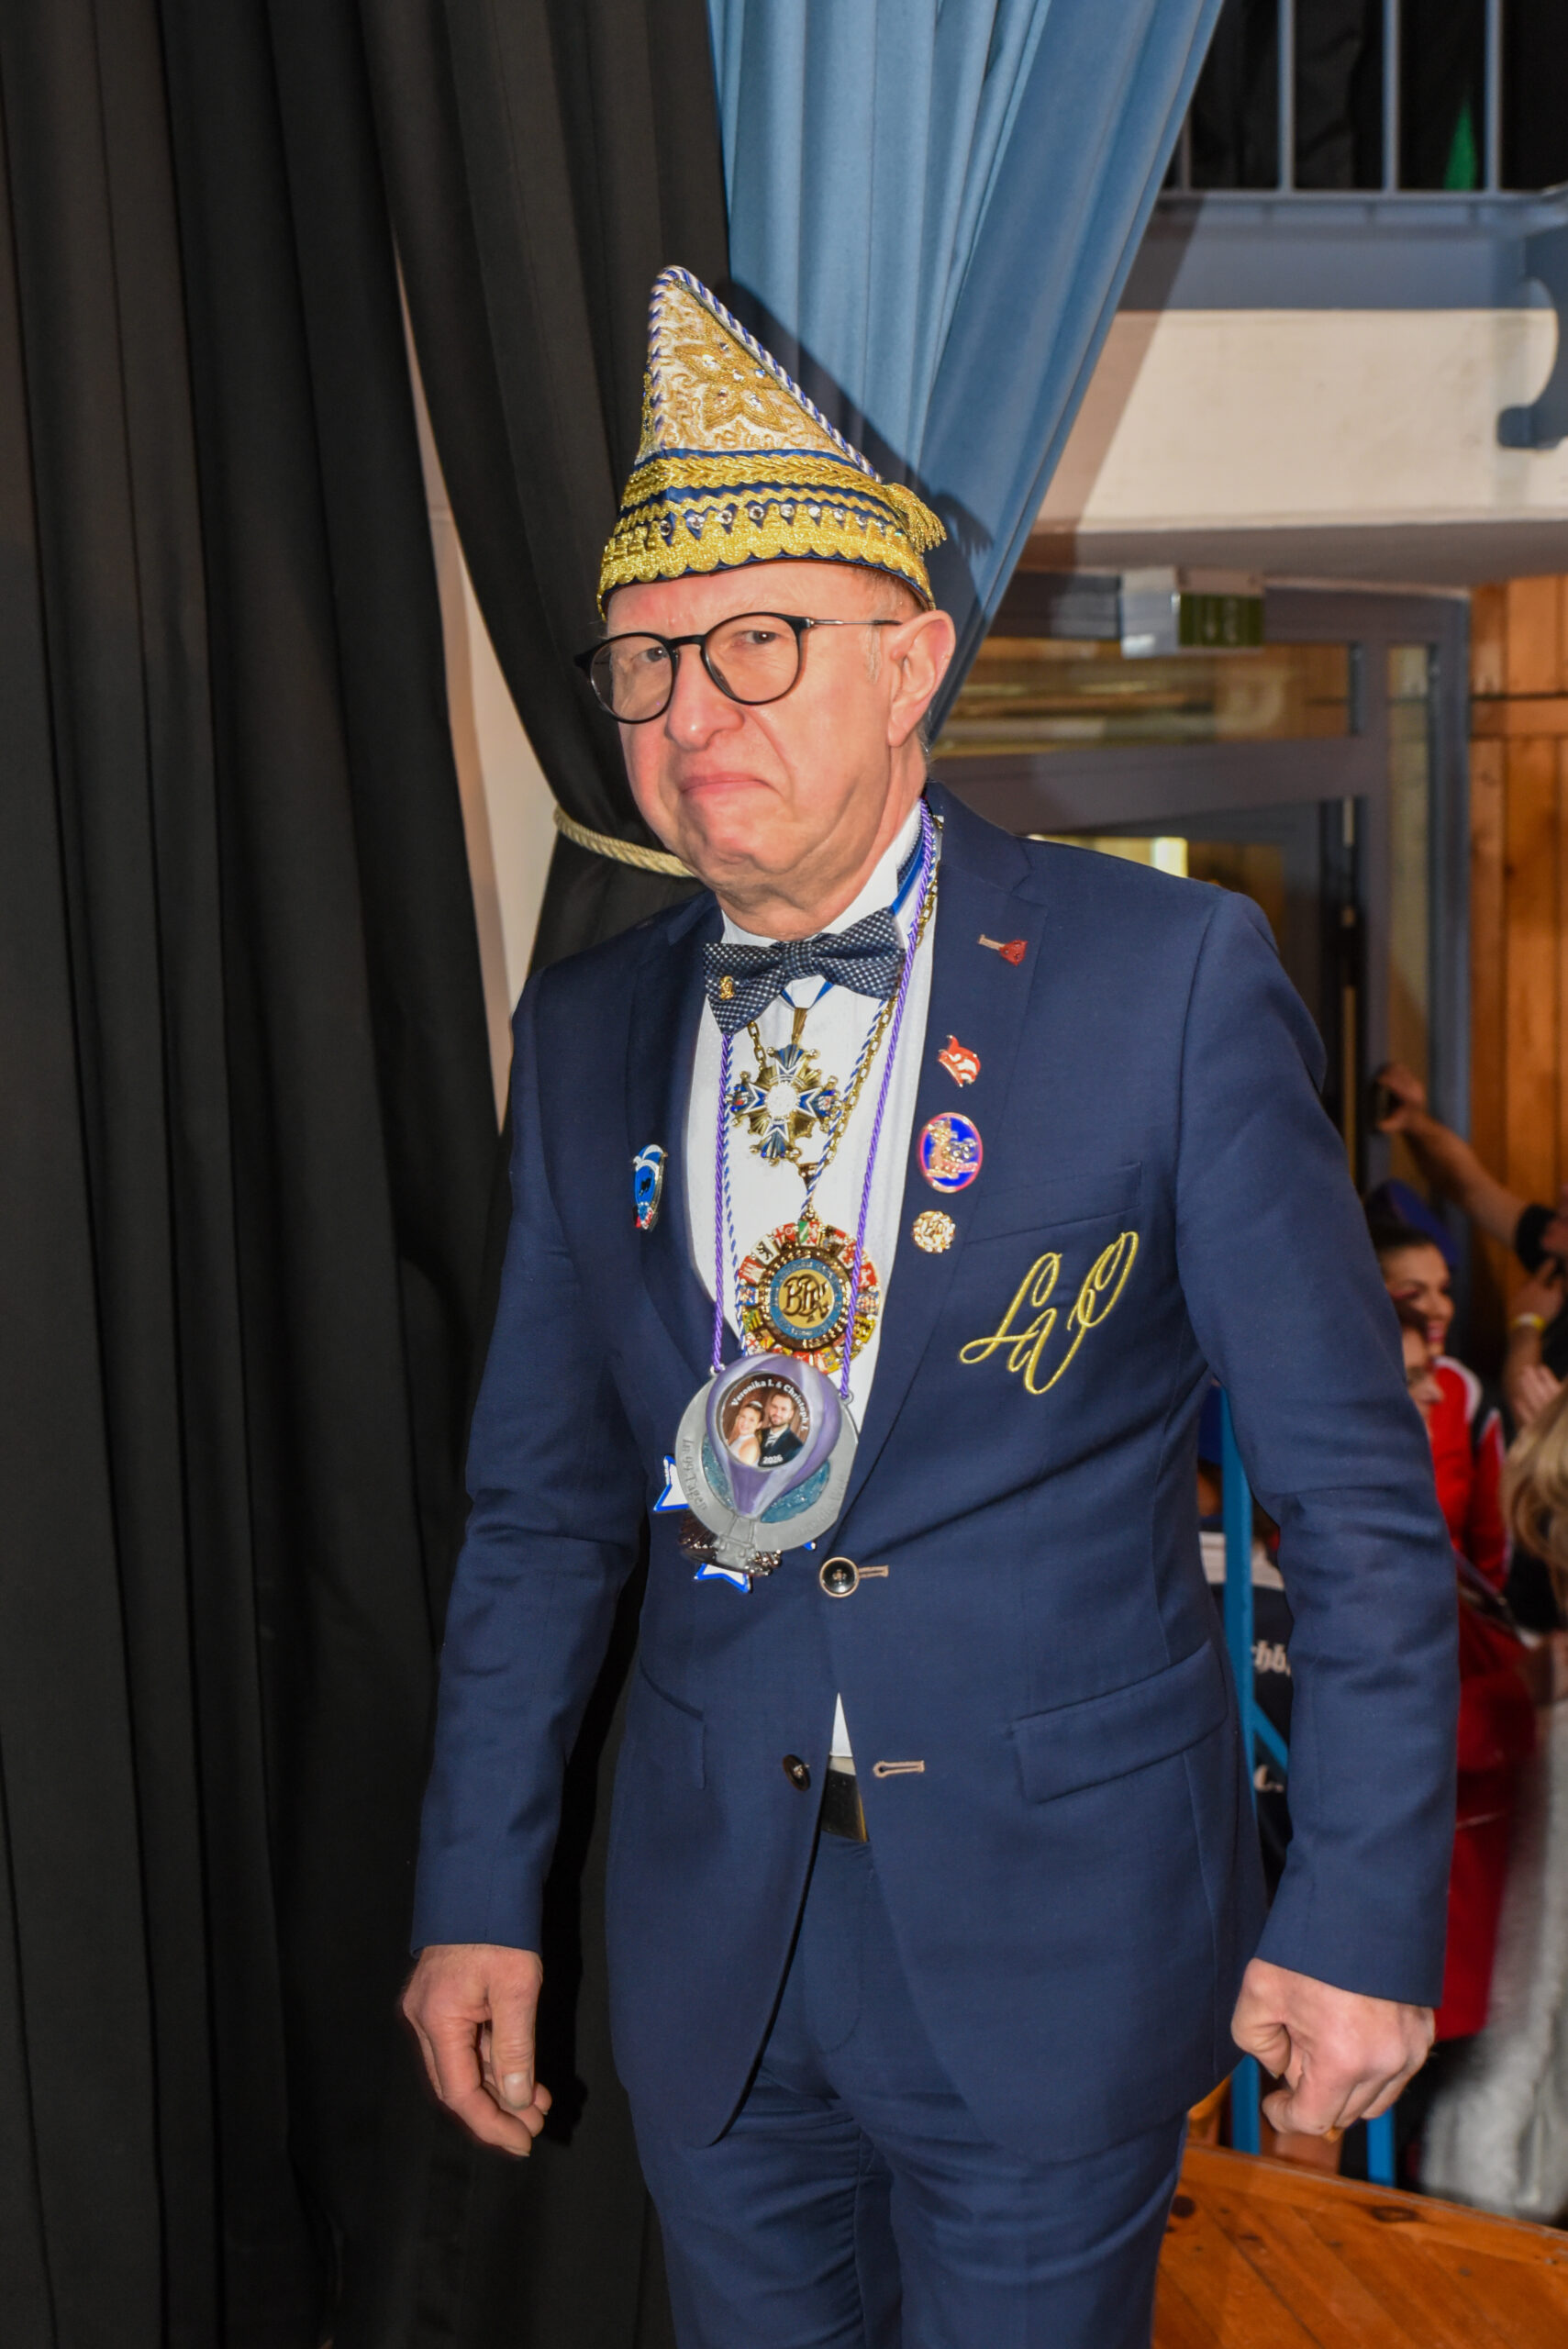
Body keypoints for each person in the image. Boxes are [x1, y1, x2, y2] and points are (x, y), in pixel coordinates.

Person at [403, 269, 1456, 2349]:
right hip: (714, 1938)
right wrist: (473, 1889)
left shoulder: (1164, 982)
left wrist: (1357, 1909)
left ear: (912, 662)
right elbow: (537, 1517)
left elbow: (1354, 1500)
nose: (691, 712)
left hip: (1063, 1928)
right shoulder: (588, 1034)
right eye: (644, 663)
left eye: (756, 643)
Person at [1369, 1213, 1507, 1591]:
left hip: (1449, 1611)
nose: (1441, 1308)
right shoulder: (1329, 1391)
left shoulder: (1461, 1389)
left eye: (1444, 1290)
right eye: (1414, 1294)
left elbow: (1492, 1541)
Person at [756, 1388, 803, 1468]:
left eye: (783, 1409)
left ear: (791, 1414)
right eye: (774, 1407)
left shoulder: (796, 1447)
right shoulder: (757, 1433)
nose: (777, 1413)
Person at [727, 1397, 764, 1465]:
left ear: (759, 1425)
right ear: (738, 1418)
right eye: (743, 1417)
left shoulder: (751, 1447)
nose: (745, 1423)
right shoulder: (742, 1439)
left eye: (751, 1420)